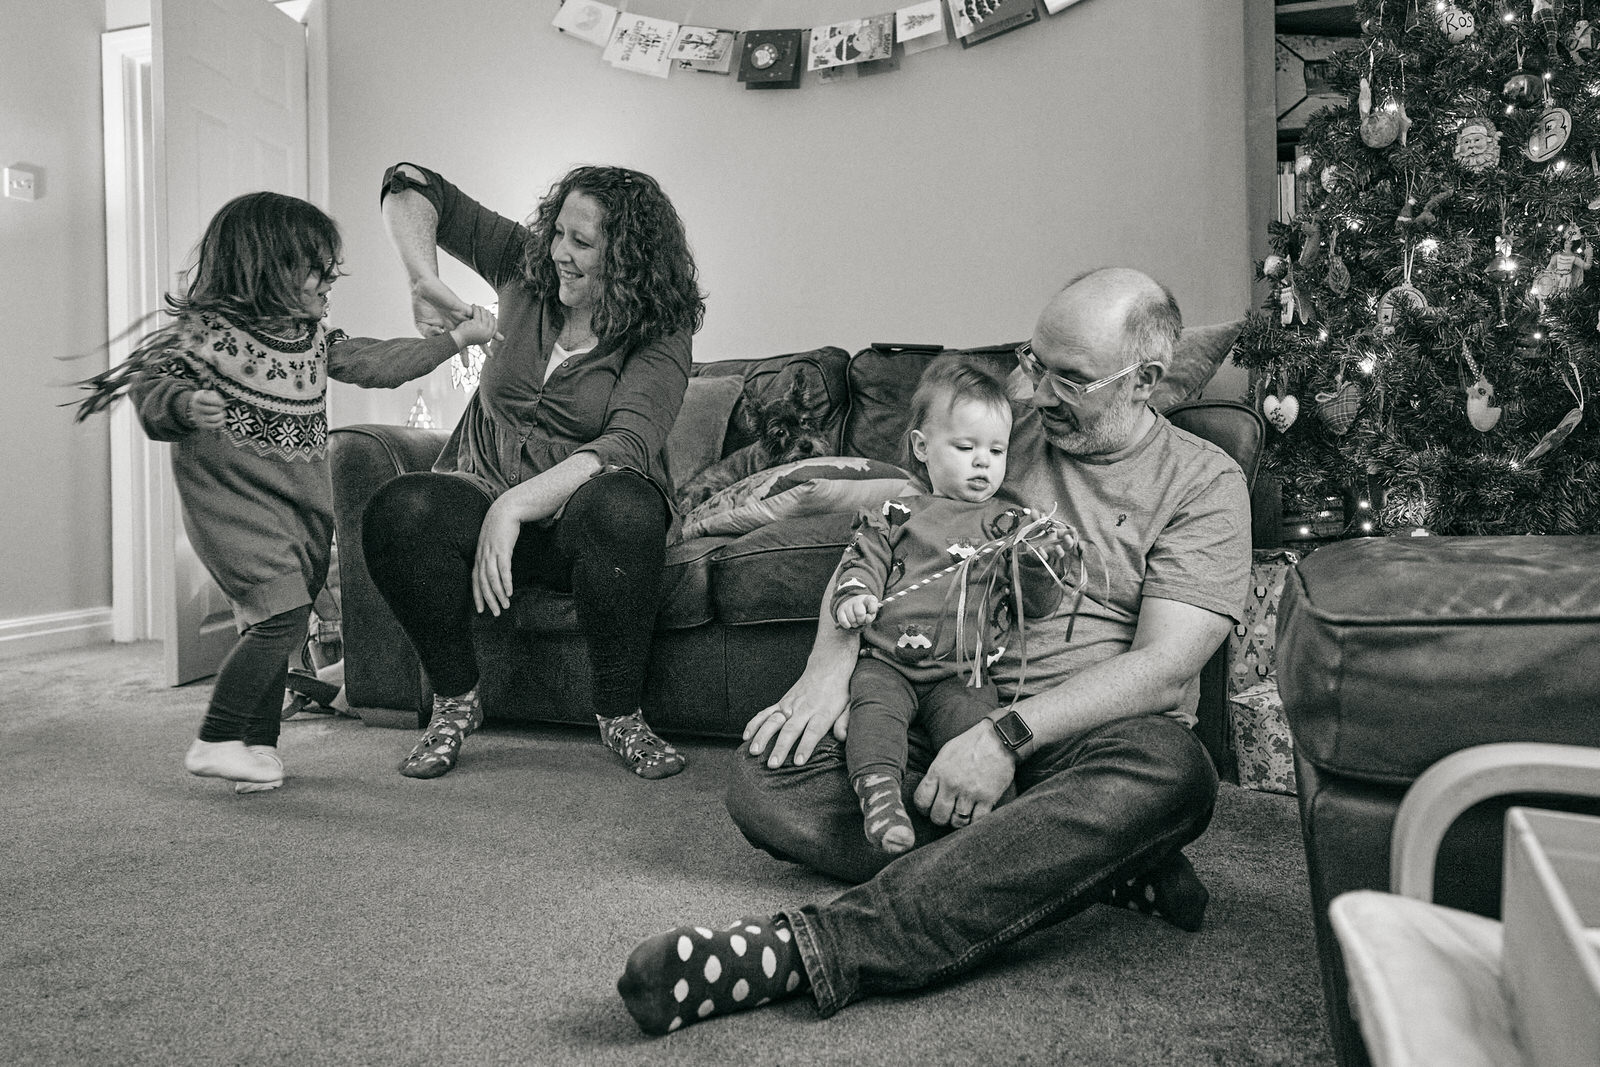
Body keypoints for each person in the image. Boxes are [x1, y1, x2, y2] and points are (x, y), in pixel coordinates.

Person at [616, 267, 1251, 1034]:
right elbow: (885, 533)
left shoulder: (1203, 481)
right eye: (1033, 363)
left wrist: (1005, 737)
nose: (1037, 392)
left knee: (1175, 775)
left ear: (1143, 380)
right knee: (764, 777)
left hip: (1080, 741)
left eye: (1068, 378)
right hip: (936, 706)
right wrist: (830, 664)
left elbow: (1164, 669)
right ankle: (1077, 864)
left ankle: (801, 950)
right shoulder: (997, 431)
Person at [72, 191, 497, 792]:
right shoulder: (204, 339)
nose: (329, 281)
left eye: (331, 268)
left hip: (298, 513)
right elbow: (149, 395)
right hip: (234, 511)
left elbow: (378, 361)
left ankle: (256, 749)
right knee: (281, 619)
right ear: (264, 268)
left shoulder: (312, 338)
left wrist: (452, 343)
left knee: (276, 625)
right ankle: (217, 738)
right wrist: (184, 404)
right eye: (315, 269)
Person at [363, 162, 706, 781]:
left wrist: (512, 506)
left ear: (627, 257)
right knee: (399, 509)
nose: (560, 255)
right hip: (483, 508)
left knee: (625, 504)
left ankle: (620, 715)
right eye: (558, 235)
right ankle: (456, 700)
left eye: (583, 244)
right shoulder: (527, 266)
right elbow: (412, 184)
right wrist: (421, 278)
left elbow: (625, 443)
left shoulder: (661, 330)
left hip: (585, 535)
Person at [830, 353, 1070, 854]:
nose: (984, 461)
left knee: (977, 735)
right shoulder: (896, 513)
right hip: (886, 662)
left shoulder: (1011, 523)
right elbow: (863, 559)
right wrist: (855, 594)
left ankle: (1010, 833)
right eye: (965, 446)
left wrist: (1037, 564)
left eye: (996, 450)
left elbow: (1040, 605)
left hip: (964, 672)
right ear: (923, 447)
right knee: (873, 717)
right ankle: (879, 796)